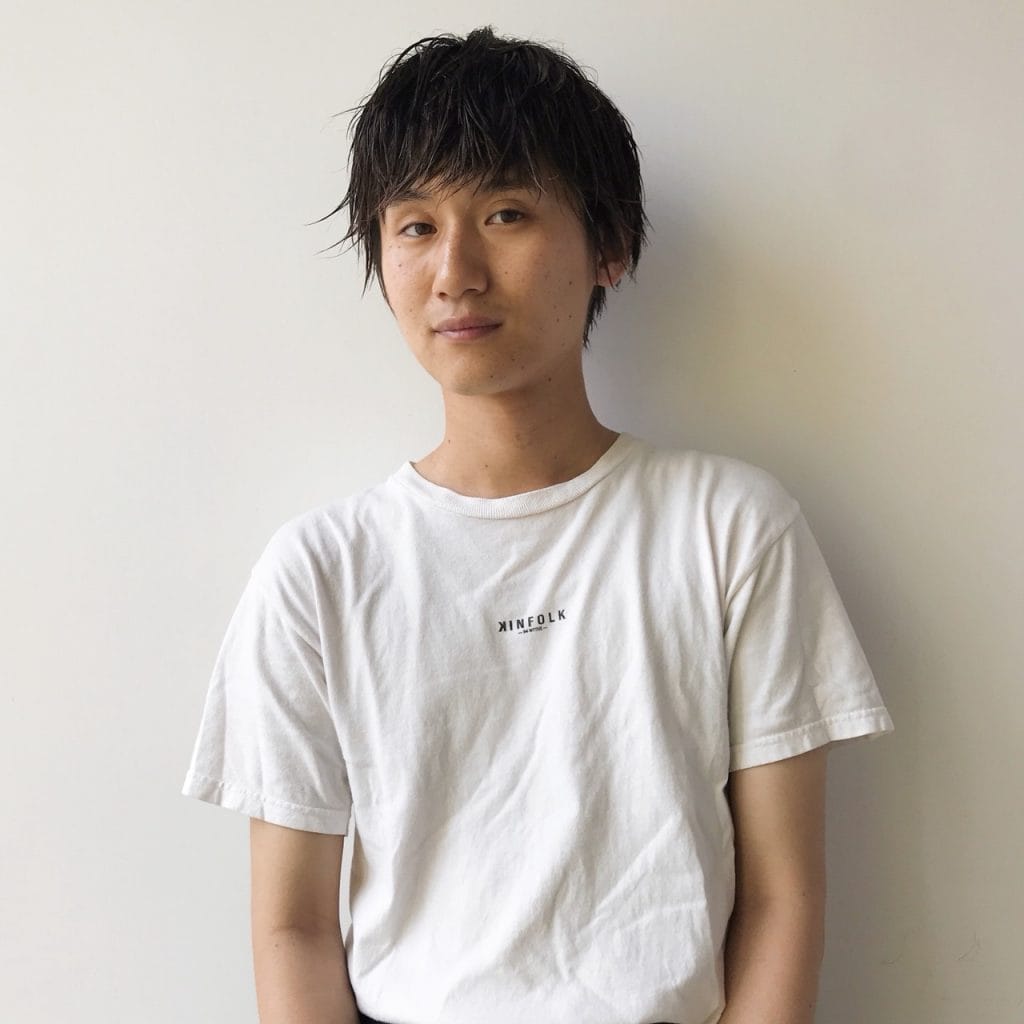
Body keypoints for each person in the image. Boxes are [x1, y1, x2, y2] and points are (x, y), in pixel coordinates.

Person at [181, 26, 894, 1024]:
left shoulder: (729, 528)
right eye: (415, 225)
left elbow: (782, 900)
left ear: (610, 247)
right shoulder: (320, 570)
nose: (454, 271)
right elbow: (292, 927)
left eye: (505, 214)